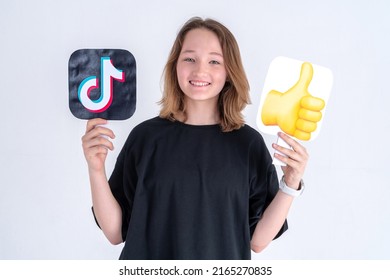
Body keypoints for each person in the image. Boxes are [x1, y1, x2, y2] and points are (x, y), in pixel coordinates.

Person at [81, 17, 308, 260]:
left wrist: (291, 183)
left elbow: (258, 241)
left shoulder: (248, 144)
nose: (200, 70)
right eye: (189, 58)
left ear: (229, 72)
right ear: (175, 66)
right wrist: (95, 169)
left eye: (214, 61)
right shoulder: (145, 138)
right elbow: (115, 233)